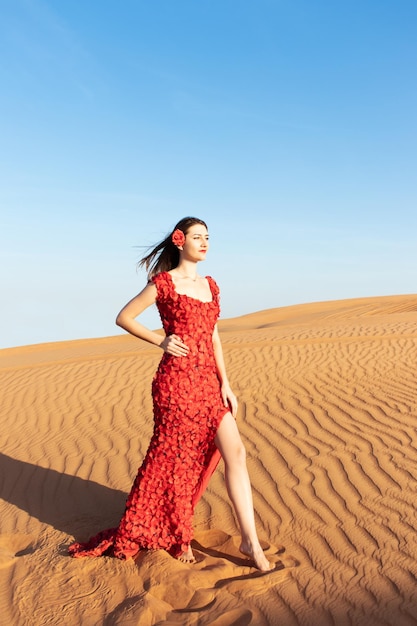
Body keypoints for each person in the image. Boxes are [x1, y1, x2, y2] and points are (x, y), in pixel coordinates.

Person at [69, 217, 272, 571]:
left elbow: (213, 337)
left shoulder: (211, 285)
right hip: (176, 384)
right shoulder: (164, 283)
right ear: (180, 242)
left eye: (208, 237)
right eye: (197, 237)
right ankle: (178, 535)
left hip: (209, 385)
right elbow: (125, 317)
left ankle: (250, 542)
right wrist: (160, 340)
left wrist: (226, 383)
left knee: (235, 453)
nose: (205, 242)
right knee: (177, 462)